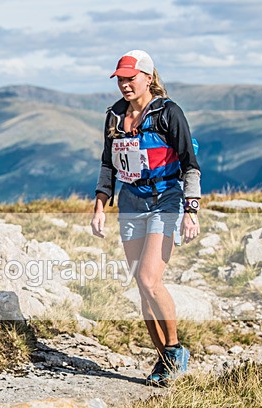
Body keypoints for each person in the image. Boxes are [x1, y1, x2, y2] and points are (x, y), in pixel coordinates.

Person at [90, 50, 201, 387]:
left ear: (148, 78)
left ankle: (175, 349)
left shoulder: (169, 113)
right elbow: (108, 164)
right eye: (120, 79)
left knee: (151, 279)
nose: (125, 84)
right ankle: (164, 359)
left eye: (131, 78)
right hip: (131, 202)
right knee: (141, 284)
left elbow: (190, 163)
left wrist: (191, 211)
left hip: (166, 198)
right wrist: (99, 206)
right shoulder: (114, 116)